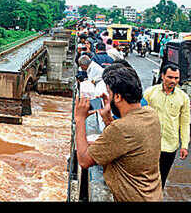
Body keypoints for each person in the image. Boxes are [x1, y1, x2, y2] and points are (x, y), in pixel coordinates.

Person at [74, 66, 163, 201]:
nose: (108, 97)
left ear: (117, 96)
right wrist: (107, 118)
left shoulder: (121, 129)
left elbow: (84, 160)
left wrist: (80, 119)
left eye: (109, 94)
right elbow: (123, 143)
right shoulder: (151, 114)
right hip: (152, 195)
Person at [143, 63, 190, 189]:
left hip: (170, 146)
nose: (173, 81)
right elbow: (139, 117)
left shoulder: (183, 98)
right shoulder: (149, 93)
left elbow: (185, 123)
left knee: (161, 179)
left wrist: (184, 145)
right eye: (170, 77)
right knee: (146, 178)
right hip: (149, 144)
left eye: (176, 78)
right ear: (162, 76)